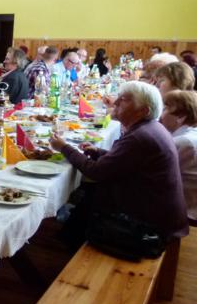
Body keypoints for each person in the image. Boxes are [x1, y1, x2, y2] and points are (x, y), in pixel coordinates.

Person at [49, 81, 188, 247]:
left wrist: (64, 147)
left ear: (144, 111)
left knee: (92, 189)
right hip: (157, 214)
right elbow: (127, 162)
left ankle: (73, 242)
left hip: (149, 227)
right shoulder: (149, 128)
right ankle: (71, 235)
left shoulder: (139, 137)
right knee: (90, 195)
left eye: (124, 99)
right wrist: (99, 152)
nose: (115, 102)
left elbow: (96, 172)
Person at [160, 90, 197, 225]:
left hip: (186, 212)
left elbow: (154, 175)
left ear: (180, 116)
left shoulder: (184, 142)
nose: (161, 114)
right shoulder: (189, 135)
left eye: (166, 108)